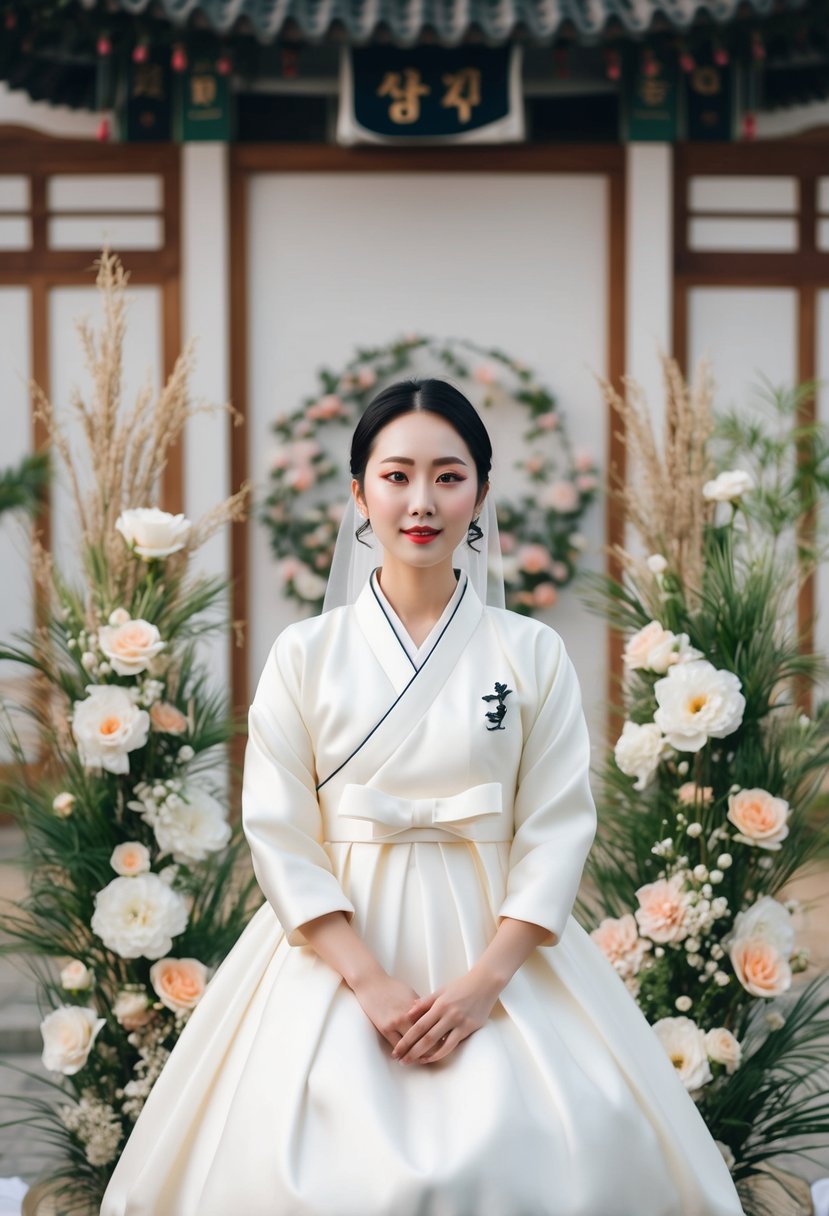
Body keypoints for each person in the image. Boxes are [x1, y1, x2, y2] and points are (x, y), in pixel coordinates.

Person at [101, 378, 745, 1216]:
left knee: (563, 1146)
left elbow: (555, 826)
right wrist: (366, 980)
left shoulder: (531, 652)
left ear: (480, 490)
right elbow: (279, 828)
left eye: (448, 475)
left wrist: (485, 984)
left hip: (499, 944)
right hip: (336, 943)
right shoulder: (305, 653)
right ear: (359, 491)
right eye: (396, 474)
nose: (421, 500)